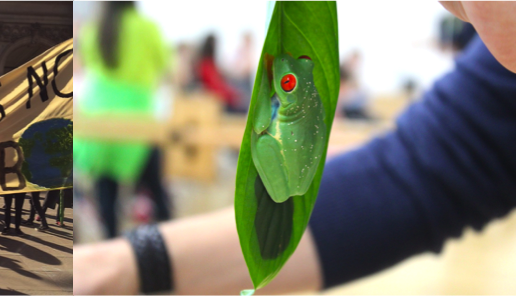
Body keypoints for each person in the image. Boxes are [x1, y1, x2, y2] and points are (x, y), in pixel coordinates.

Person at [73, 0, 515, 293]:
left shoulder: (96, 34)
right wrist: (123, 263)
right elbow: (431, 170)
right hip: (147, 116)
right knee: (149, 192)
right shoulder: (497, 81)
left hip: (102, 118)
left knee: (114, 193)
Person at [74, 0, 173, 238]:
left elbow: (87, 64)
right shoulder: (147, 27)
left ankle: (112, 251)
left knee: (106, 196)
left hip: (97, 116)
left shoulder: (94, 28)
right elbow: (167, 66)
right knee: (157, 192)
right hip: (137, 119)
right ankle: (171, 250)